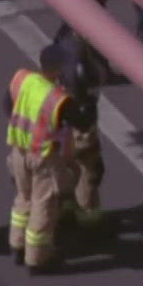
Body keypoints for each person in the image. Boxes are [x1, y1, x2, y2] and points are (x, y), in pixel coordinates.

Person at [3, 43, 85, 272]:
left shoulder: (23, 79)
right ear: (58, 69)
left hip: (18, 150)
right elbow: (81, 121)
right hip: (43, 157)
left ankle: (17, 246)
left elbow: (7, 105)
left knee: (23, 197)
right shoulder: (57, 99)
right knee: (43, 205)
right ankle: (38, 258)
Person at [51, 28, 107, 231]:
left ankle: (65, 211)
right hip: (81, 126)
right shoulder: (83, 57)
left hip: (60, 125)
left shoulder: (59, 45)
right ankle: (89, 221)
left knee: (65, 169)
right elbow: (96, 81)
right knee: (87, 172)